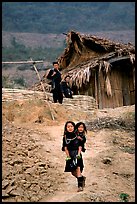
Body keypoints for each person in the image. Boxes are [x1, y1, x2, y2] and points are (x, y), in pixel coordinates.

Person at [62, 121, 86, 192]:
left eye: (71, 126)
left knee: (78, 170)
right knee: (72, 172)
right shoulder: (65, 137)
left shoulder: (77, 136)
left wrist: (78, 154)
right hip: (70, 155)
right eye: (68, 127)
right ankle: (81, 178)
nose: (70, 128)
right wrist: (68, 156)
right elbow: (65, 147)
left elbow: (80, 146)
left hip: (77, 154)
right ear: (66, 128)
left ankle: (80, 186)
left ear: (74, 127)